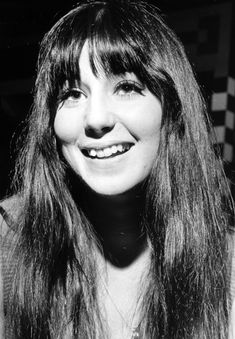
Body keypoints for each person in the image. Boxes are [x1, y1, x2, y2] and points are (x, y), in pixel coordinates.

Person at [0, 0, 234, 338]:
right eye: (72, 93)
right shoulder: (10, 246)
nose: (96, 119)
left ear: (171, 110)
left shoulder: (227, 270)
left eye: (126, 87)